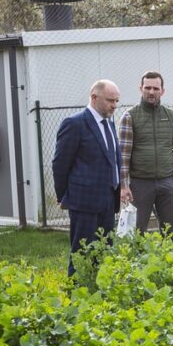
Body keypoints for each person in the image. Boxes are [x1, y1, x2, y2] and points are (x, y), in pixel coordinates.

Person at [52, 79, 123, 276]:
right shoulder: (75, 124)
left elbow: (113, 160)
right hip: (84, 202)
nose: (114, 105)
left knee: (105, 250)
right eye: (110, 100)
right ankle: (75, 293)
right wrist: (64, 197)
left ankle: (99, 291)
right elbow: (60, 164)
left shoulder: (109, 124)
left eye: (117, 101)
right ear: (94, 97)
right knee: (81, 253)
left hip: (108, 201)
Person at [118, 71, 173, 235]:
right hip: (139, 185)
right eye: (147, 88)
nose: (151, 92)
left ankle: (169, 259)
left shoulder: (171, 116)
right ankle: (135, 260)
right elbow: (123, 155)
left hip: (167, 183)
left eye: (156, 88)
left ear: (162, 91)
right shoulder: (130, 116)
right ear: (141, 89)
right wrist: (124, 185)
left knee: (169, 233)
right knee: (136, 232)